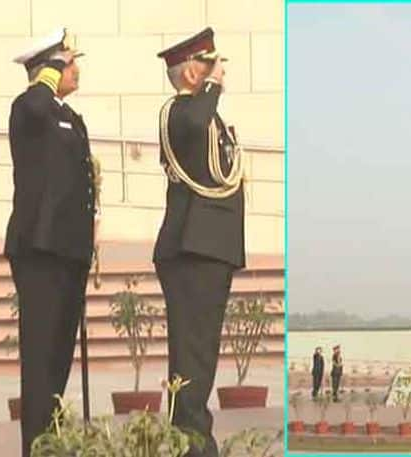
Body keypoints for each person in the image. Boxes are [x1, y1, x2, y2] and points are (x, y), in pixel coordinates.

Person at [153, 27, 245, 457]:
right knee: (192, 353)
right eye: (210, 64)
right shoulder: (180, 111)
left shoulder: (205, 116)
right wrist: (212, 86)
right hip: (192, 247)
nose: (220, 70)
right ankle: (191, 441)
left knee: (200, 353)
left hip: (211, 247)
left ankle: (189, 436)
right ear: (192, 72)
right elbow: (194, 121)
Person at [5, 28, 95, 457]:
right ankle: (36, 448)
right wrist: (47, 72)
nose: (75, 69)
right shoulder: (29, 107)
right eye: (67, 63)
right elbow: (36, 105)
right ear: (47, 70)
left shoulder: (69, 116)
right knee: (40, 358)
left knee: (59, 356)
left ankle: (52, 444)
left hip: (69, 251)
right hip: (39, 251)